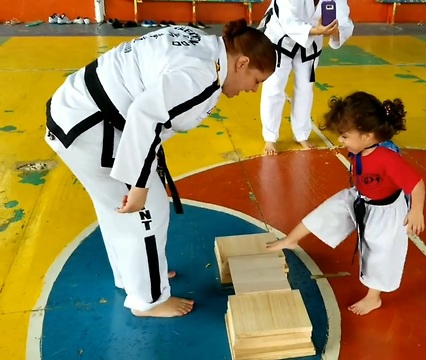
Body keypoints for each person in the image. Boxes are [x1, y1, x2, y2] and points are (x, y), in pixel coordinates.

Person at [44, 19, 276, 318]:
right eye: (256, 81)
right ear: (242, 63)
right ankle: (148, 300)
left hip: (75, 110)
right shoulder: (201, 76)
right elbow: (145, 116)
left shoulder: (201, 42)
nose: (253, 90)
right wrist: (139, 185)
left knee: (116, 207)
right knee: (147, 211)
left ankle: (134, 277)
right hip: (92, 127)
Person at [266, 91, 426, 315]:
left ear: (368, 136)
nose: (340, 140)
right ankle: (291, 240)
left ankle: (374, 297)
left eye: (345, 136)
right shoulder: (362, 146)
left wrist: (416, 211)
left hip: (386, 210)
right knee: (327, 211)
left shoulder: (387, 158)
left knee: (380, 250)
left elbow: (416, 184)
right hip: (360, 197)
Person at [258, 0, 354, 155]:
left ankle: (301, 134)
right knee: (274, 87)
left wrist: (335, 31)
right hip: (279, 38)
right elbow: (287, 19)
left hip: (310, 45)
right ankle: (270, 137)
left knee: (305, 88)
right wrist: (316, 31)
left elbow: (344, 20)